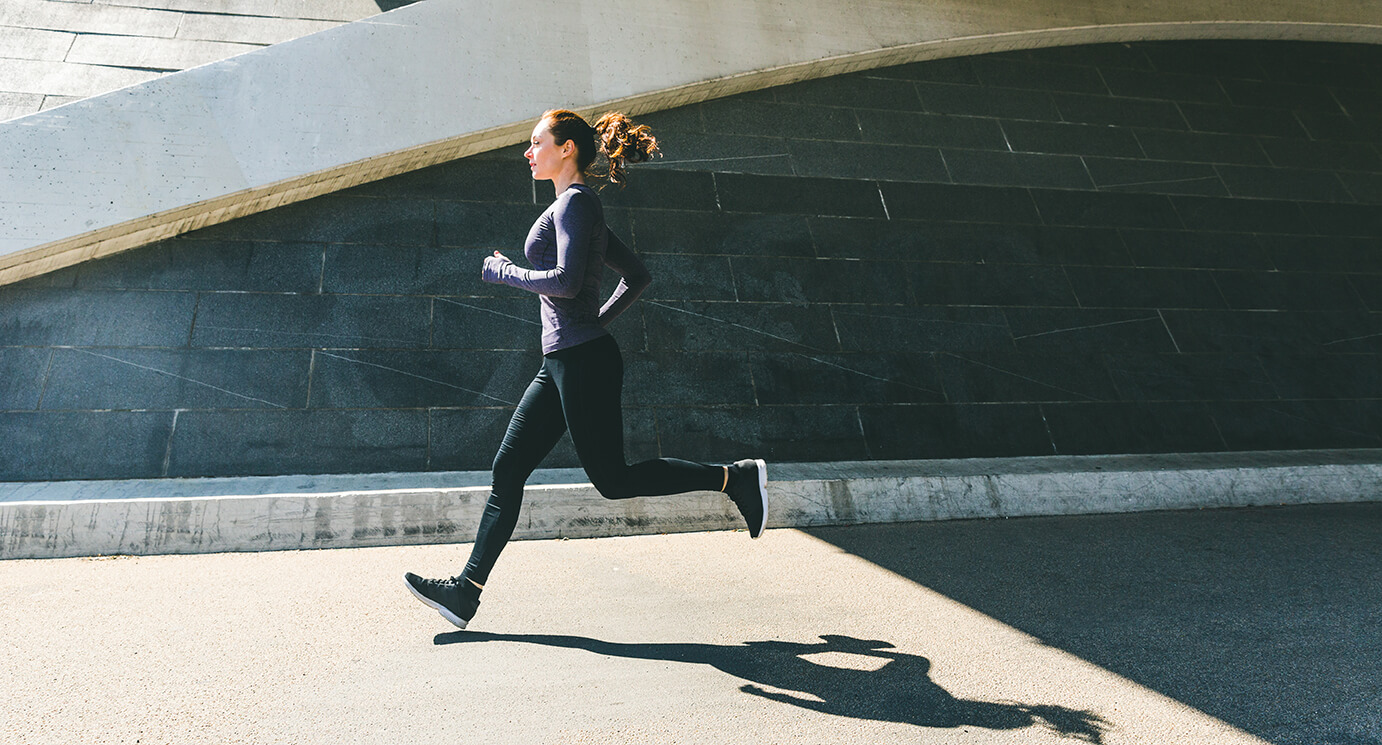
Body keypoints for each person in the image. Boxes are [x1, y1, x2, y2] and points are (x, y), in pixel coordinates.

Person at [404, 109, 769, 630]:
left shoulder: (576, 203)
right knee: (508, 468)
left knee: (613, 480)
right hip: (563, 359)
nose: (528, 152)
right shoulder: (575, 206)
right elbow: (636, 275)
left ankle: (735, 477)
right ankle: (466, 592)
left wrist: (506, 272)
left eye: (537, 142)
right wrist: (591, 323)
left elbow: (567, 282)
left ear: (567, 148)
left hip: (582, 362)